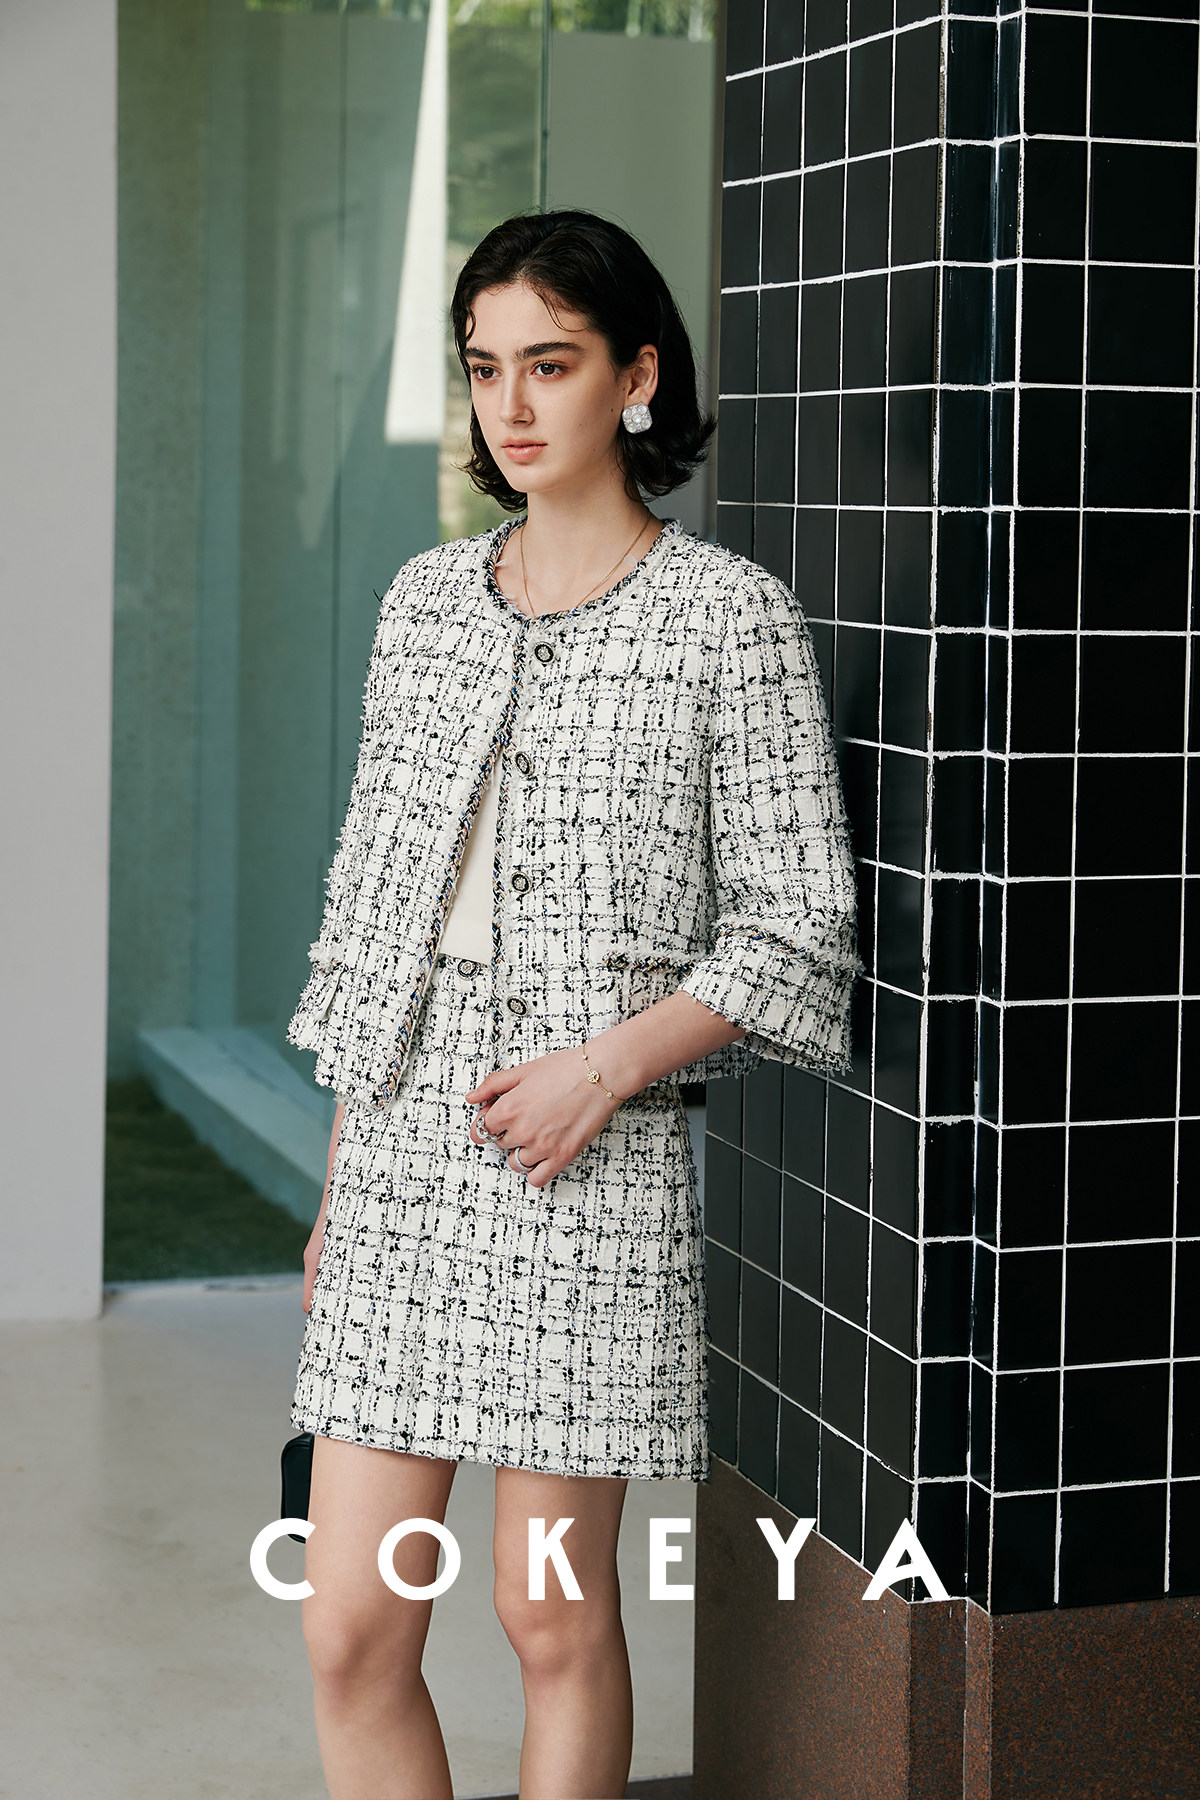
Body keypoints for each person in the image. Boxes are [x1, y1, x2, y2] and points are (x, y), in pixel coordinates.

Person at [287, 209, 859, 1800]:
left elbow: (801, 927)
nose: (512, 406)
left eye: (551, 363)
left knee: (547, 1614)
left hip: (586, 1160)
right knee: (348, 1627)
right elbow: (370, 916)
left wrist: (601, 1073)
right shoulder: (423, 602)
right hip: (403, 1145)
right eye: (485, 370)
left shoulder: (728, 617)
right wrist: (339, 1181)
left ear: (637, 376)